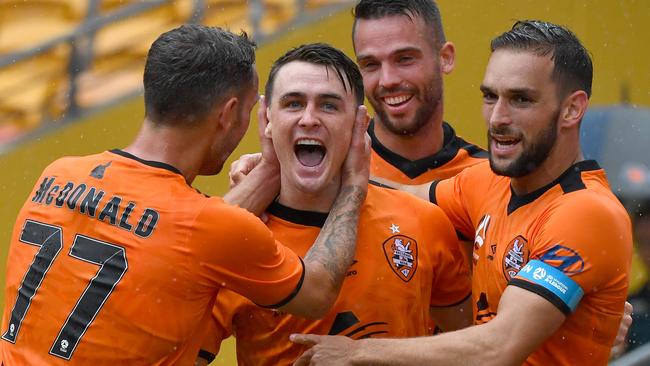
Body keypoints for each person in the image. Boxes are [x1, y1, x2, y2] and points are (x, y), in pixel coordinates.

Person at [0, 24, 371, 365]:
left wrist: (271, 171)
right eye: (249, 111)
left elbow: (176, 236)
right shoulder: (206, 225)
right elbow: (318, 290)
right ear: (228, 114)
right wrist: (354, 184)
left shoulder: (58, 173)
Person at [290, 20, 633, 366]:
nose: (497, 117)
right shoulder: (487, 182)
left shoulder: (587, 212)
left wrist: (356, 352)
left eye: (521, 99)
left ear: (572, 109)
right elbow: (394, 196)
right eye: (490, 96)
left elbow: (498, 347)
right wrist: (283, 172)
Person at [197, 43, 472, 366]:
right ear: (267, 118)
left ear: (359, 124)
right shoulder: (234, 244)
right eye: (293, 103)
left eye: (328, 106)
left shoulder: (423, 221)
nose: (309, 119)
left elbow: (470, 348)